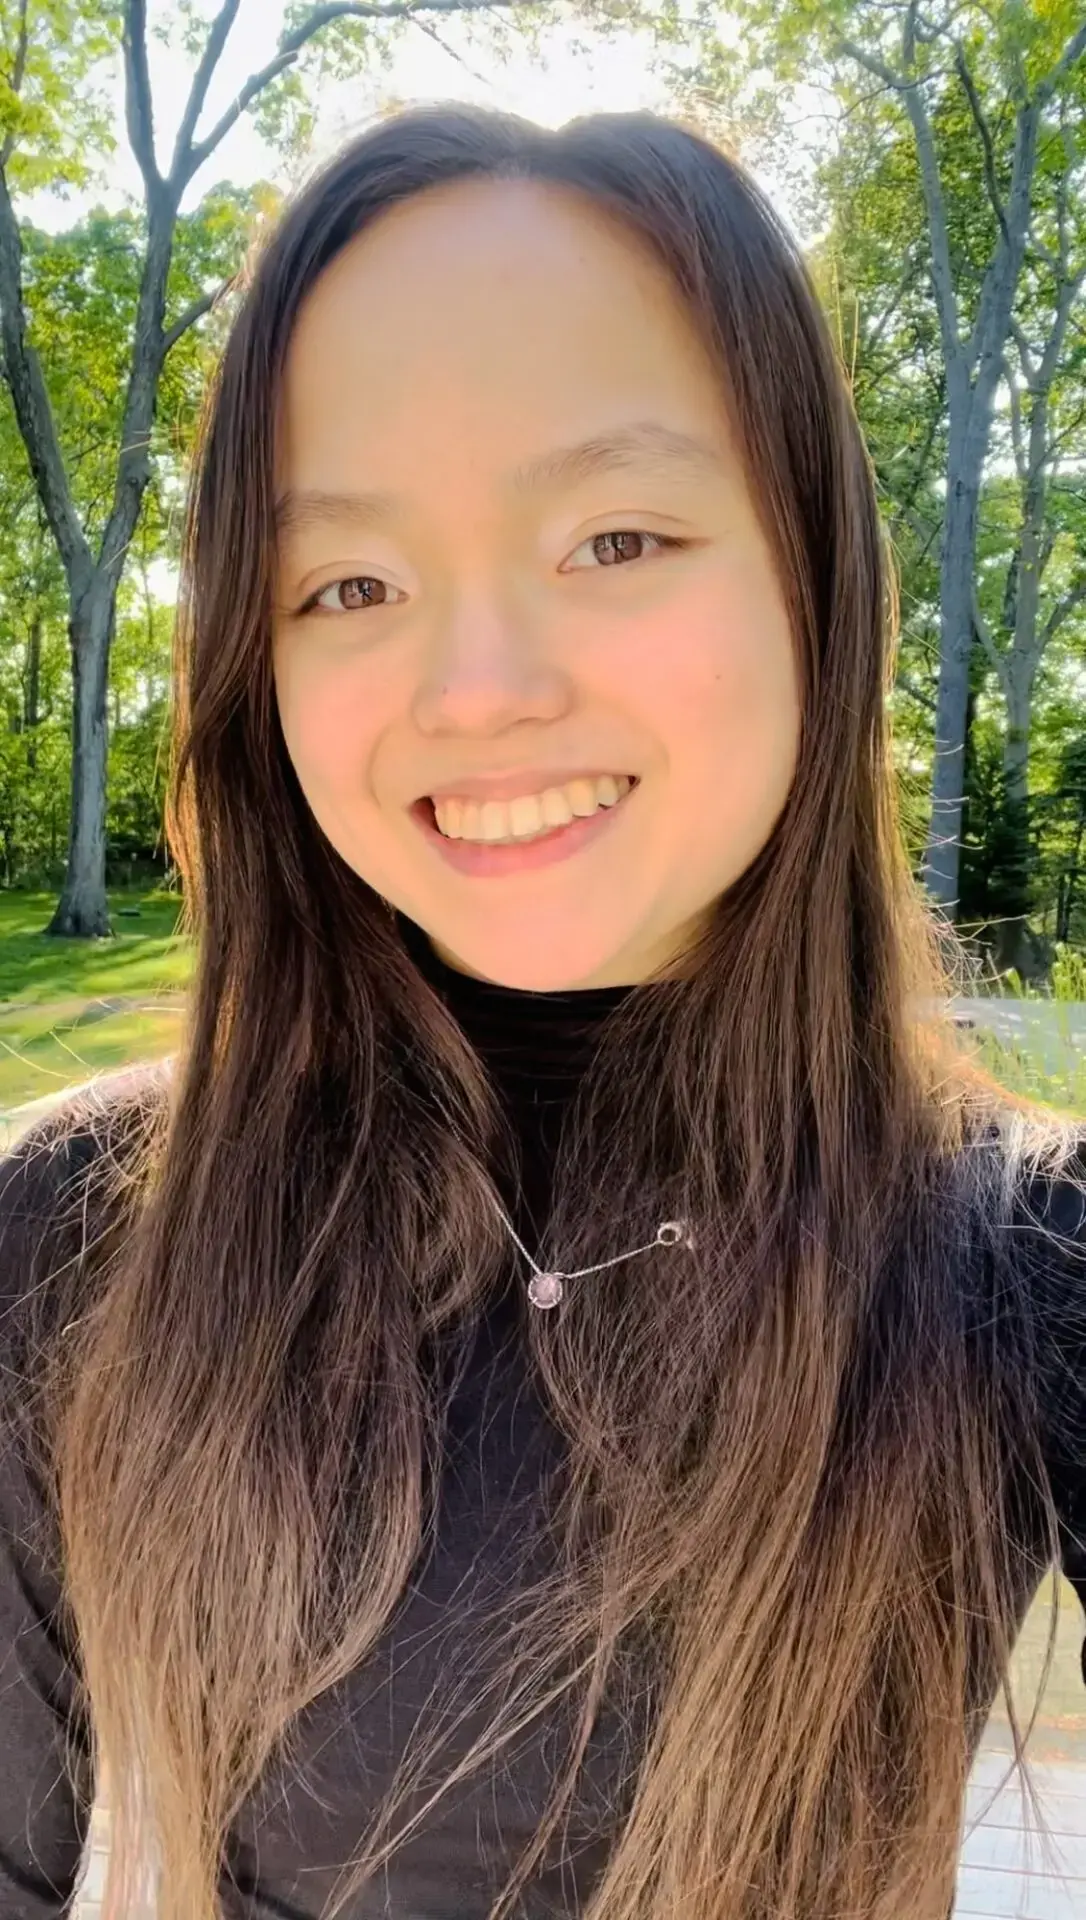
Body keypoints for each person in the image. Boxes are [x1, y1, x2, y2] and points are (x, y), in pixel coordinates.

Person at [1, 99, 1084, 1920]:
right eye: (348, 580)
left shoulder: (1011, 1261)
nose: (479, 686)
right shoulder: (74, 1239)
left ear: (810, 579)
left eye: (616, 537)